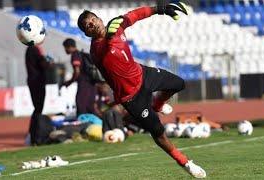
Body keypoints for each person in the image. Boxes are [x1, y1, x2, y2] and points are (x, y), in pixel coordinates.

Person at [77, 1, 206, 178]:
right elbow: (106, 52)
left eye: (93, 20)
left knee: (179, 84)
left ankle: (158, 104)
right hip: (131, 97)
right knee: (158, 133)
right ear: (87, 33)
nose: (92, 24)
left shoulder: (116, 25)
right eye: (87, 26)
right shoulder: (95, 51)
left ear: (99, 18)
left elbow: (136, 15)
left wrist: (160, 9)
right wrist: (109, 38)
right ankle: (185, 162)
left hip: (143, 75)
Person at [61, 38, 97, 116]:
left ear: (69, 47)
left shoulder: (75, 55)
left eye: (65, 48)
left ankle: (83, 124)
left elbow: (77, 72)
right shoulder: (81, 54)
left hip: (84, 84)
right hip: (91, 84)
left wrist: (69, 82)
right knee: (90, 107)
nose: (65, 50)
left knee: (81, 106)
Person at [25, 44, 52, 145]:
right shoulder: (34, 49)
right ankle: (35, 137)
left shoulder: (31, 49)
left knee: (38, 109)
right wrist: (49, 61)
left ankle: (34, 136)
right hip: (37, 82)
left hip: (35, 81)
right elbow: (44, 64)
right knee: (38, 109)